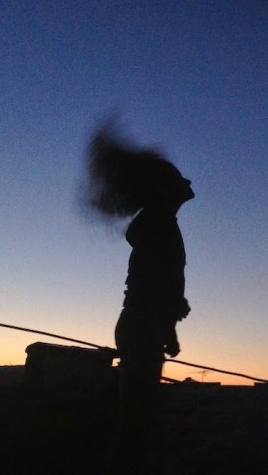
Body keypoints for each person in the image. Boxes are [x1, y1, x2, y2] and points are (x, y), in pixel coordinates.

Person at [84, 122, 194, 473]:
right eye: (178, 183)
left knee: (136, 419)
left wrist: (169, 328)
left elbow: (158, 286)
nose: (187, 187)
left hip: (143, 327)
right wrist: (169, 319)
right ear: (165, 192)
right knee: (134, 424)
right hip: (143, 328)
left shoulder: (158, 225)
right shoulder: (159, 227)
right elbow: (154, 287)